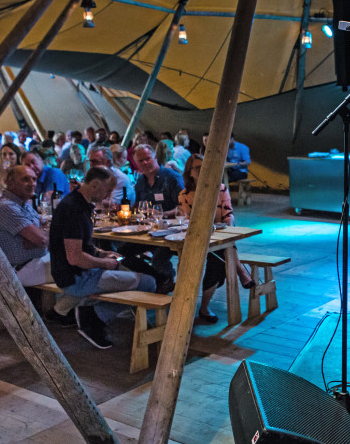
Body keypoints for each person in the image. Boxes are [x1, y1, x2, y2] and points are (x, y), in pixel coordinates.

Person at [47, 167, 156, 349]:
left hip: (76, 273)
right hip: (77, 279)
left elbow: (81, 247)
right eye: (108, 190)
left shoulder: (77, 203)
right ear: (96, 185)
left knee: (128, 269)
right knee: (148, 283)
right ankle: (94, 317)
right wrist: (105, 263)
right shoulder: (74, 210)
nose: (109, 195)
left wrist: (100, 253)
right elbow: (75, 258)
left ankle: (90, 313)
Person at [177, 154, 251, 324]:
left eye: (204, 166)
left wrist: (227, 228)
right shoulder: (185, 194)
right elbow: (186, 220)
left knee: (219, 257)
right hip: (195, 238)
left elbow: (228, 214)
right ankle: (241, 271)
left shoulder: (220, 189)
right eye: (197, 168)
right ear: (190, 172)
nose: (202, 170)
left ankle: (204, 308)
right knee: (222, 254)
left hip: (218, 235)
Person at [118, 144, 184, 293]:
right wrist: (123, 211)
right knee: (120, 254)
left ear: (155, 157)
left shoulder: (172, 178)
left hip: (171, 232)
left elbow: (183, 208)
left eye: (148, 158)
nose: (145, 163)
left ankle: (164, 277)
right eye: (141, 161)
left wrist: (163, 214)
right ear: (136, 163)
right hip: (148, 232)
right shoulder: (141, 181)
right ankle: (159, 278)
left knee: (158, 259)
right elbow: (138, 205)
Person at [0, 165, 50, 286]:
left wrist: (35, 240)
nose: (32, 183)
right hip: (20, 271)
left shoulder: (24, 205)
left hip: (35, 264)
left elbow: (45, 234)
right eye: (25, 179)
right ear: (10, 183)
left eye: (34, 179)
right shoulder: (5, 207)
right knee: (75, 267)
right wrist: (40, 237)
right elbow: (41, 239)